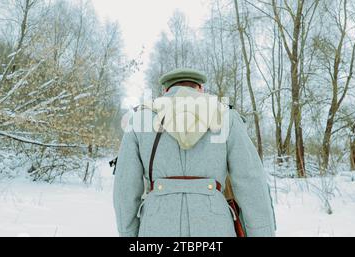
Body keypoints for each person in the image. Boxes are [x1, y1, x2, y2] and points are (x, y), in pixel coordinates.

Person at [113, 68, 276, 237]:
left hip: (157, 226)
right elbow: (251, 182)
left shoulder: (140, 120)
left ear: (166, 91)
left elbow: (125, 188)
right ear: (200, 89)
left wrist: (128, 233)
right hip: (215, 227)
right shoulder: (227, 117)